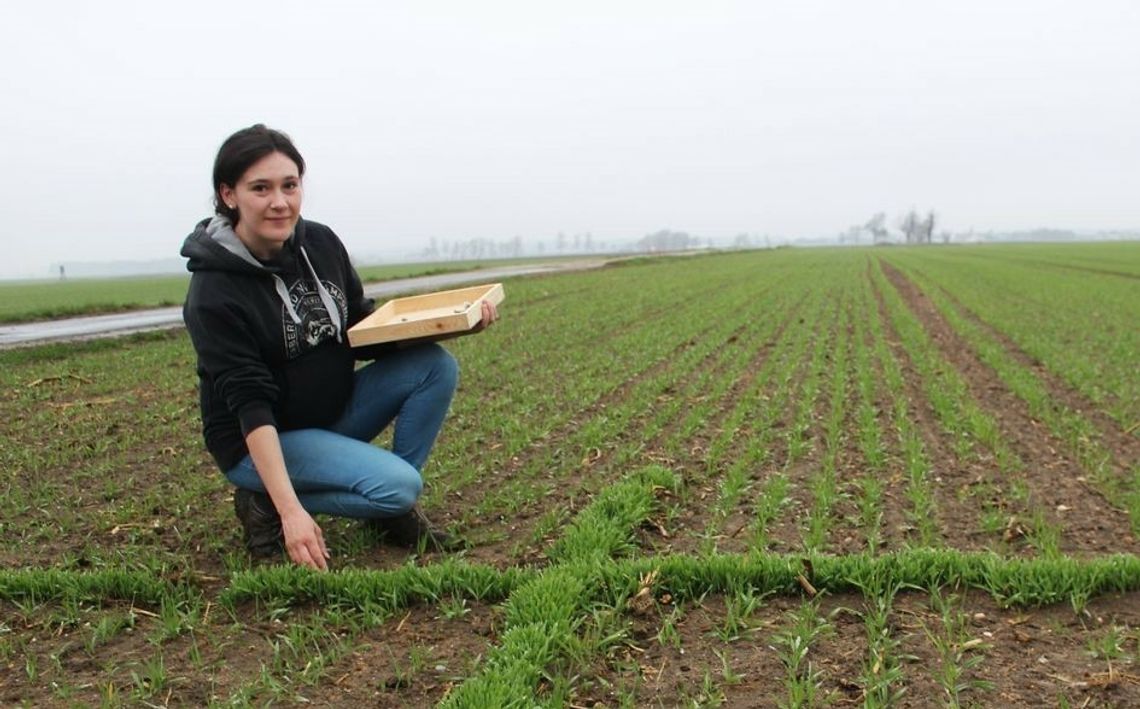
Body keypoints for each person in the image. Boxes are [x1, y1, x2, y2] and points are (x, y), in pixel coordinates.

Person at [181, 124, 497, 571]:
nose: (280, 201)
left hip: (331, 414)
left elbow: (361, 328)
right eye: (261, 188)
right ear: (229, 195)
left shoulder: (321, 243)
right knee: (400, 486)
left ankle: (389, 513)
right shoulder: (213, 294)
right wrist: (293, 512)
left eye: (290, 185)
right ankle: (267, 502)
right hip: (260, 442)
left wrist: (455, 322)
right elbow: (250, 404)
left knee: (433, 365)